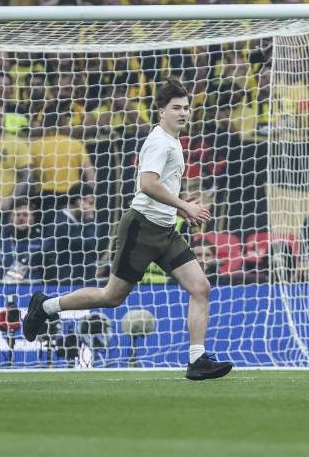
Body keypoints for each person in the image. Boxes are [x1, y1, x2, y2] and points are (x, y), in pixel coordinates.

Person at [23, 77, 232, 381]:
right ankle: (45, 306)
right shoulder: (160, 141)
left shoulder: (172, 141)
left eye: (186, 108)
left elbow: (160, 186)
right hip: (142, 228)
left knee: (201, 288)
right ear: (161, 111)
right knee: (111, 296)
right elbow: (147, 185)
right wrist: (184, 206)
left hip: (164, 229)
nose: (183, 113)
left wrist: (178, 205)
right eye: (176, 108)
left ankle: (197, 359)